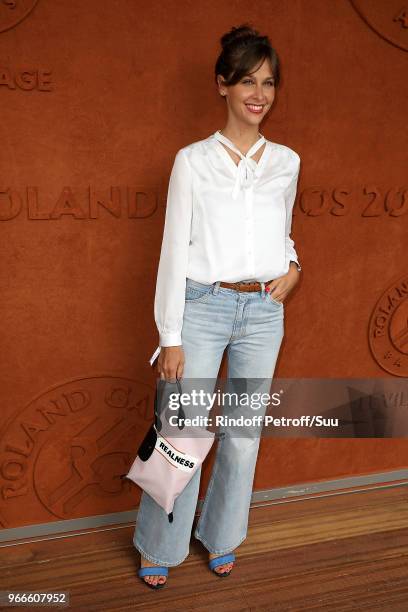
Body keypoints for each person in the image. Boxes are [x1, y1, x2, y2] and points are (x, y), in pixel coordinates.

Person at [135, 23, 302, 589]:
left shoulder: (286, 162)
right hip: (200, 306)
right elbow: (172, 249)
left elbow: (282, 234)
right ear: (222, 84)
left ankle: (222, 535)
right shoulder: (193, 161)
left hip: (262, 312)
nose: (259, 93)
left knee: (243, 433)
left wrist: (294, 267)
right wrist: (170, 335)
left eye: (269, 83)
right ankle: (160, 543)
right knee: (180, 427)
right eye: (248, 80)